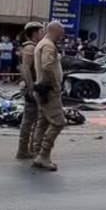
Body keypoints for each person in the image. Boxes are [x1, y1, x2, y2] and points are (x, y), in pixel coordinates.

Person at [31, 21, 66, 170]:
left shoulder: (42, 43)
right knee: (58, 122)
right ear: (55, 31)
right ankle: (43, 155)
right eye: (61, 32)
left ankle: (37, 151)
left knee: (43, 121)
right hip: (49, 90)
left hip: (42, 89)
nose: (63, 35)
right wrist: (56, 85)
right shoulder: (48, 46)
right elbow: (47, 66)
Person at [16, 22, 44, 160]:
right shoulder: (29, 48)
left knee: (33, 120)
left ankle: (30, 149)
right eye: (41, 31)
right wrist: (31, 87)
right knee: (29, 121)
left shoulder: (33, 48)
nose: (42, 34)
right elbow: (25, 69)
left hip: (33, 87)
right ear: (34, 33)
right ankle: (23, 150)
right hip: (31, 88)